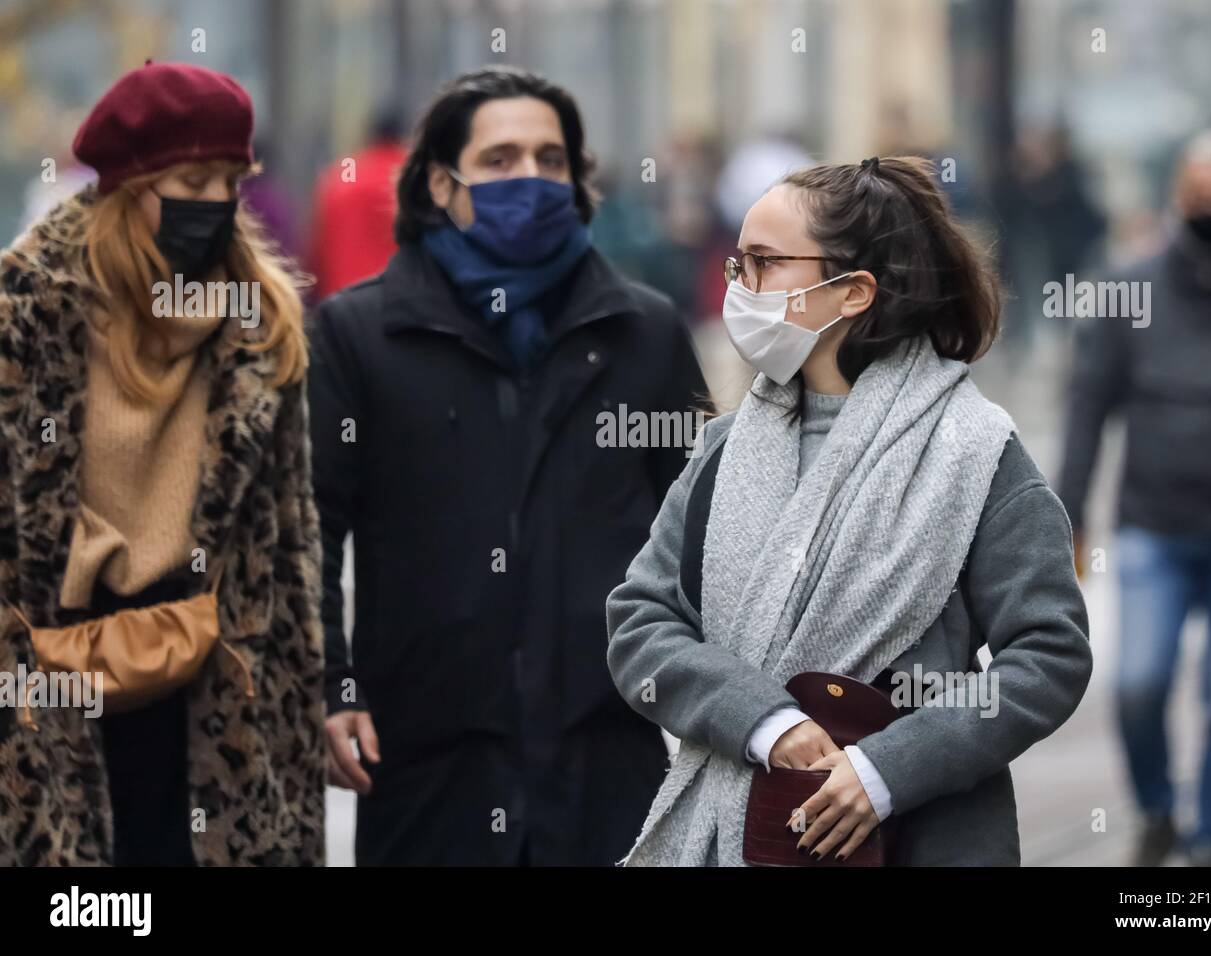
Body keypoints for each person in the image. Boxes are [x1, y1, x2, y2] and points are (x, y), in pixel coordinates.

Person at [607, 157, 1092, 866]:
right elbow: (640, 621)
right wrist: (765, 721)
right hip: (735, 830)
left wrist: (888, 770)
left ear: (853, 291)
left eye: (766, 263)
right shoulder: (723, 449)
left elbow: (1048, 656)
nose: (739, 286)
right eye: (738, 264)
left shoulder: (976, 452)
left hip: (921, 838)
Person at [310, 66, 708, 866]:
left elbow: (704, 529)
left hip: (610, 754)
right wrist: (330, 684)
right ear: (439, 182)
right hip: (427, 758)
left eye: (549, 159)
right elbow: (311, 528)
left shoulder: (646, 332)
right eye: (499, 160)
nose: (529, 178)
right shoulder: (358, 336)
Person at [0, 61, 325, 866]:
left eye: (229, 179)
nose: (215, 201)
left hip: (216, 692)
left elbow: (292, 545)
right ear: (127, 184)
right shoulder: (23, 321)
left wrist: (300, 707)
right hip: (51, 689)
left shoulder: (260, 329)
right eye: (191, 178)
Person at [1058, 129, 1211, 867]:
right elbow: (1088, 405)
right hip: (1149, 526)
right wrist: (1071, 516)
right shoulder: (1127, 288)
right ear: (1174, 197)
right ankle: (1158, 808)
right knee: (1137, 684)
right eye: (1199, 195)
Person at [307, 111, 407, 300]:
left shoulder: (344, 175)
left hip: (342, 296)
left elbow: (318, 245)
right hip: (400, 299)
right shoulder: (413, 178)